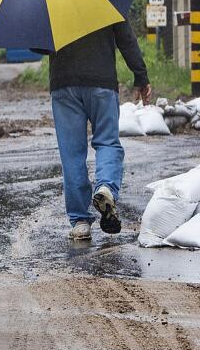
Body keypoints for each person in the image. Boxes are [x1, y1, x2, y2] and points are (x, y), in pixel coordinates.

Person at [44, 21, 150, 240]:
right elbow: (126, 38)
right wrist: (140, 76)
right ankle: (106, 188)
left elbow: (40, 45)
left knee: (72, 154)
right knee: (107, 142)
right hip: (101, 83)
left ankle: (80, 222)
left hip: (63, 84)